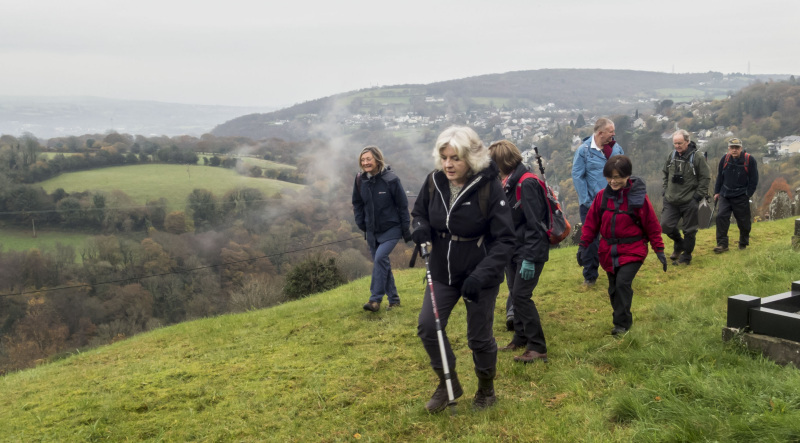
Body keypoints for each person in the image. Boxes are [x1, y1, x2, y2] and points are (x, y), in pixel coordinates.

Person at [411, 126, 515, 412]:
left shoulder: (489, 187)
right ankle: (448, 383)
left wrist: (481, 275)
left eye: (455, 158)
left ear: (471, 158)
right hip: (442, 272)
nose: (448, 164)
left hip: (478, 276)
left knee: (479, 337)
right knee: (428, 327)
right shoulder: (434, 181)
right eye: (444, 157)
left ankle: (486, 388)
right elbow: (419, 212)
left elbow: (505, 240)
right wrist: (419, 228)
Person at [578, 155, 666, 335]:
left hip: (633, 250)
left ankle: (622, 325)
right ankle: (621, 318)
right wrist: (584, 245)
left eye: (618, 176)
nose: (613, 181)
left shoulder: (638, 198)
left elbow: (652, 224)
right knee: (613, 289)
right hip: (608, 252)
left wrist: (659, 250)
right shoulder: (602, 197)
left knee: (622, 284)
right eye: (610, 176)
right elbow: (591, 223)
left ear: (627, 176)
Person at [488, 140, 550, 364]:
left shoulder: (527, 184)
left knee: (522, 297)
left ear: (501, 162)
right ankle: (520, 337)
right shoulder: (508, 182)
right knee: (515, 294)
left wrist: (530, 259)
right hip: (514, 251)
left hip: (529, 250)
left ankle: (537, 346)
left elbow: (535, 225)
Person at [352, 145, 411, 312]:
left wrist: (406, 229)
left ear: (377, 159)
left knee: (379, 259)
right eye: (362, 160)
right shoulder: (359, 180)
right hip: (371, 231)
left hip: (391, 228)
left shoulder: (391, 179)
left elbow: (402, 205)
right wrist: (360, 223)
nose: (365, 162)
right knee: (382, 263)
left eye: (368, 159)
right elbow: (357, 203)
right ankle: (394, 299)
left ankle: (374, 300)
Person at [571, 118, 624, 286]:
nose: (614, 134)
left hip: (614, 202)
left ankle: (617, 270)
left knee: (615, 237)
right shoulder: (584, 151)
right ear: (600, 133)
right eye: (611, 131)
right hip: (590, 205)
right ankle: (590, 276)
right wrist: (587, 200)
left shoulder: (616, 149)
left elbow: (625, 172)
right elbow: (577, 176)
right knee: (590, 240)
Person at [661, 129, 710, 265]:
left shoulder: (697, 157)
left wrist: (697, 197)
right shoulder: (672, 156)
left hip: (689, 201)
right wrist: (665, 190)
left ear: (687, 142)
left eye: (680, 143)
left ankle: (686, 257)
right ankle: (679, 244)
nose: (677, 146)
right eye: (675, 143)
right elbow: (665, 173)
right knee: (665, 226)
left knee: (689, 231)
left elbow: (705, 177)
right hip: (671, 200)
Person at [713, 138, 759, 253]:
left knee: (743, 222)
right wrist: (717, 192)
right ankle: (722, 244)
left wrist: (748, 194)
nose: (734, 150)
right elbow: (720, 176)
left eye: (737, 148)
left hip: (741, 195)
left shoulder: (749, 160)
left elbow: (754, 179)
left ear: (741, 148)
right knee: (721, 217)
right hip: (725, 194)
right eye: (732, 148)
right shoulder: (725, 159)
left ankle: (743, 243)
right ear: (729, 148)